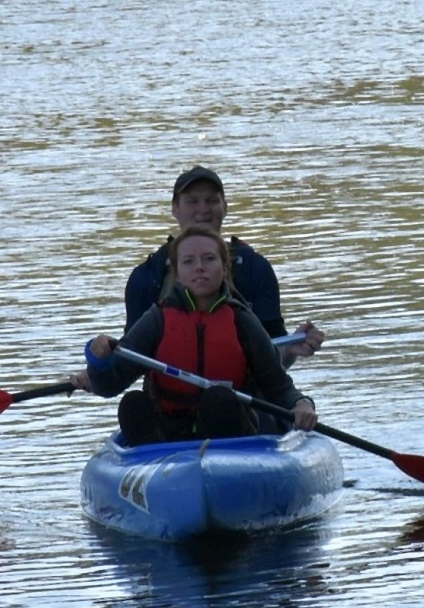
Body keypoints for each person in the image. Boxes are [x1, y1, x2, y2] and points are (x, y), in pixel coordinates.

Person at [75, 225, 320, 446]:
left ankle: (222, 467)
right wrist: (98, 362)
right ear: (178, 274)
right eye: (189, 261)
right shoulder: (157, 319)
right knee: (132, 403)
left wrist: (302, 403)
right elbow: (110, 385)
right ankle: (154, 467)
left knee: (219, 400)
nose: (199, 267)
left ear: (224, 269)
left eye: (209, 259)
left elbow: (278, 386)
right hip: (166, 435)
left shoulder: (242, 320)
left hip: (229, 434)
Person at [124, 166, 324, 366]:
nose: (203, 209)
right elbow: (126, 363)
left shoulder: (254, 269)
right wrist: (97, 371)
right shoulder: (147, 277)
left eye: (212, 200)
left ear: (225, 208)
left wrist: (290, 350)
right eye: (193, 201)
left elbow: (275, 362)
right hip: (168, 393)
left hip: (242, 392)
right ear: (175, 209)